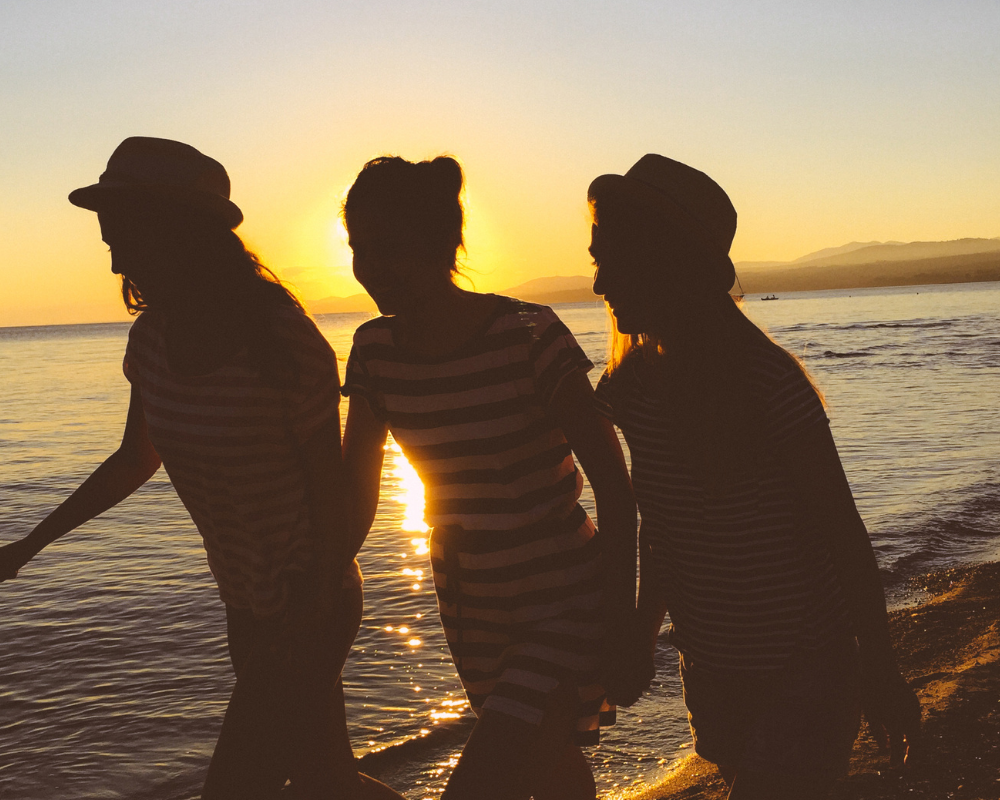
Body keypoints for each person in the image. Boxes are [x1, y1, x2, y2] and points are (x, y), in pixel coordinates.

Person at [0, 137, 402, 800]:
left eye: (122, 230)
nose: (112, 254)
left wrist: (311, 603)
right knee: (325, 779)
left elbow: (332, 493)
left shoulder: (281, 339)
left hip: (309, 598)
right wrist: (27, 547)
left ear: (177, 230)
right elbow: (135, 458)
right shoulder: (152, 340)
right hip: (244, 604)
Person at [587, 154, 922, 800]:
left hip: (810, 664)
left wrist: (880, 668)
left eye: (611, 260)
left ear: (664, 262)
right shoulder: (631, 389)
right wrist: (641, 633)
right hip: (713, 668)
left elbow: (843, 534)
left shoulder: (766, 383)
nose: (598, 283)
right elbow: (662, 526)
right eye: (594, 260)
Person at [340, 155, 638, 800]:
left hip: (564, 592)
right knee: (548, 760)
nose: (371, 268)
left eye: (390, 248)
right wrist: (309, 587)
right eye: (359, 249)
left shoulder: (529, 334)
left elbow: (615, 486)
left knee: (483, 776)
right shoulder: (373, 352)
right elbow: (355, 498)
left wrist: (625, 619)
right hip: (471, 602)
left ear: (440, 244)